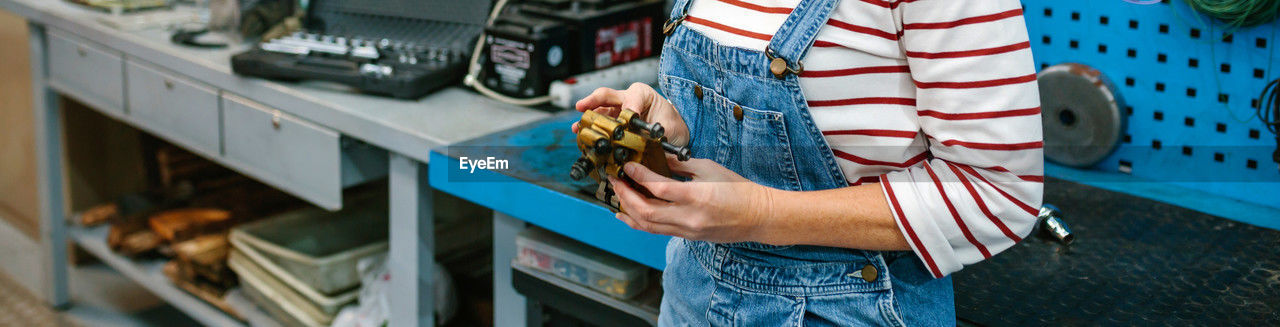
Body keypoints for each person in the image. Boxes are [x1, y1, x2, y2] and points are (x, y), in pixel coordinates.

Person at [573, 0, 1043, 325]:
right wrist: (675, 130)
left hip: (851, 309)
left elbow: (996, 195)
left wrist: (763, 214)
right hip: (692, 296)